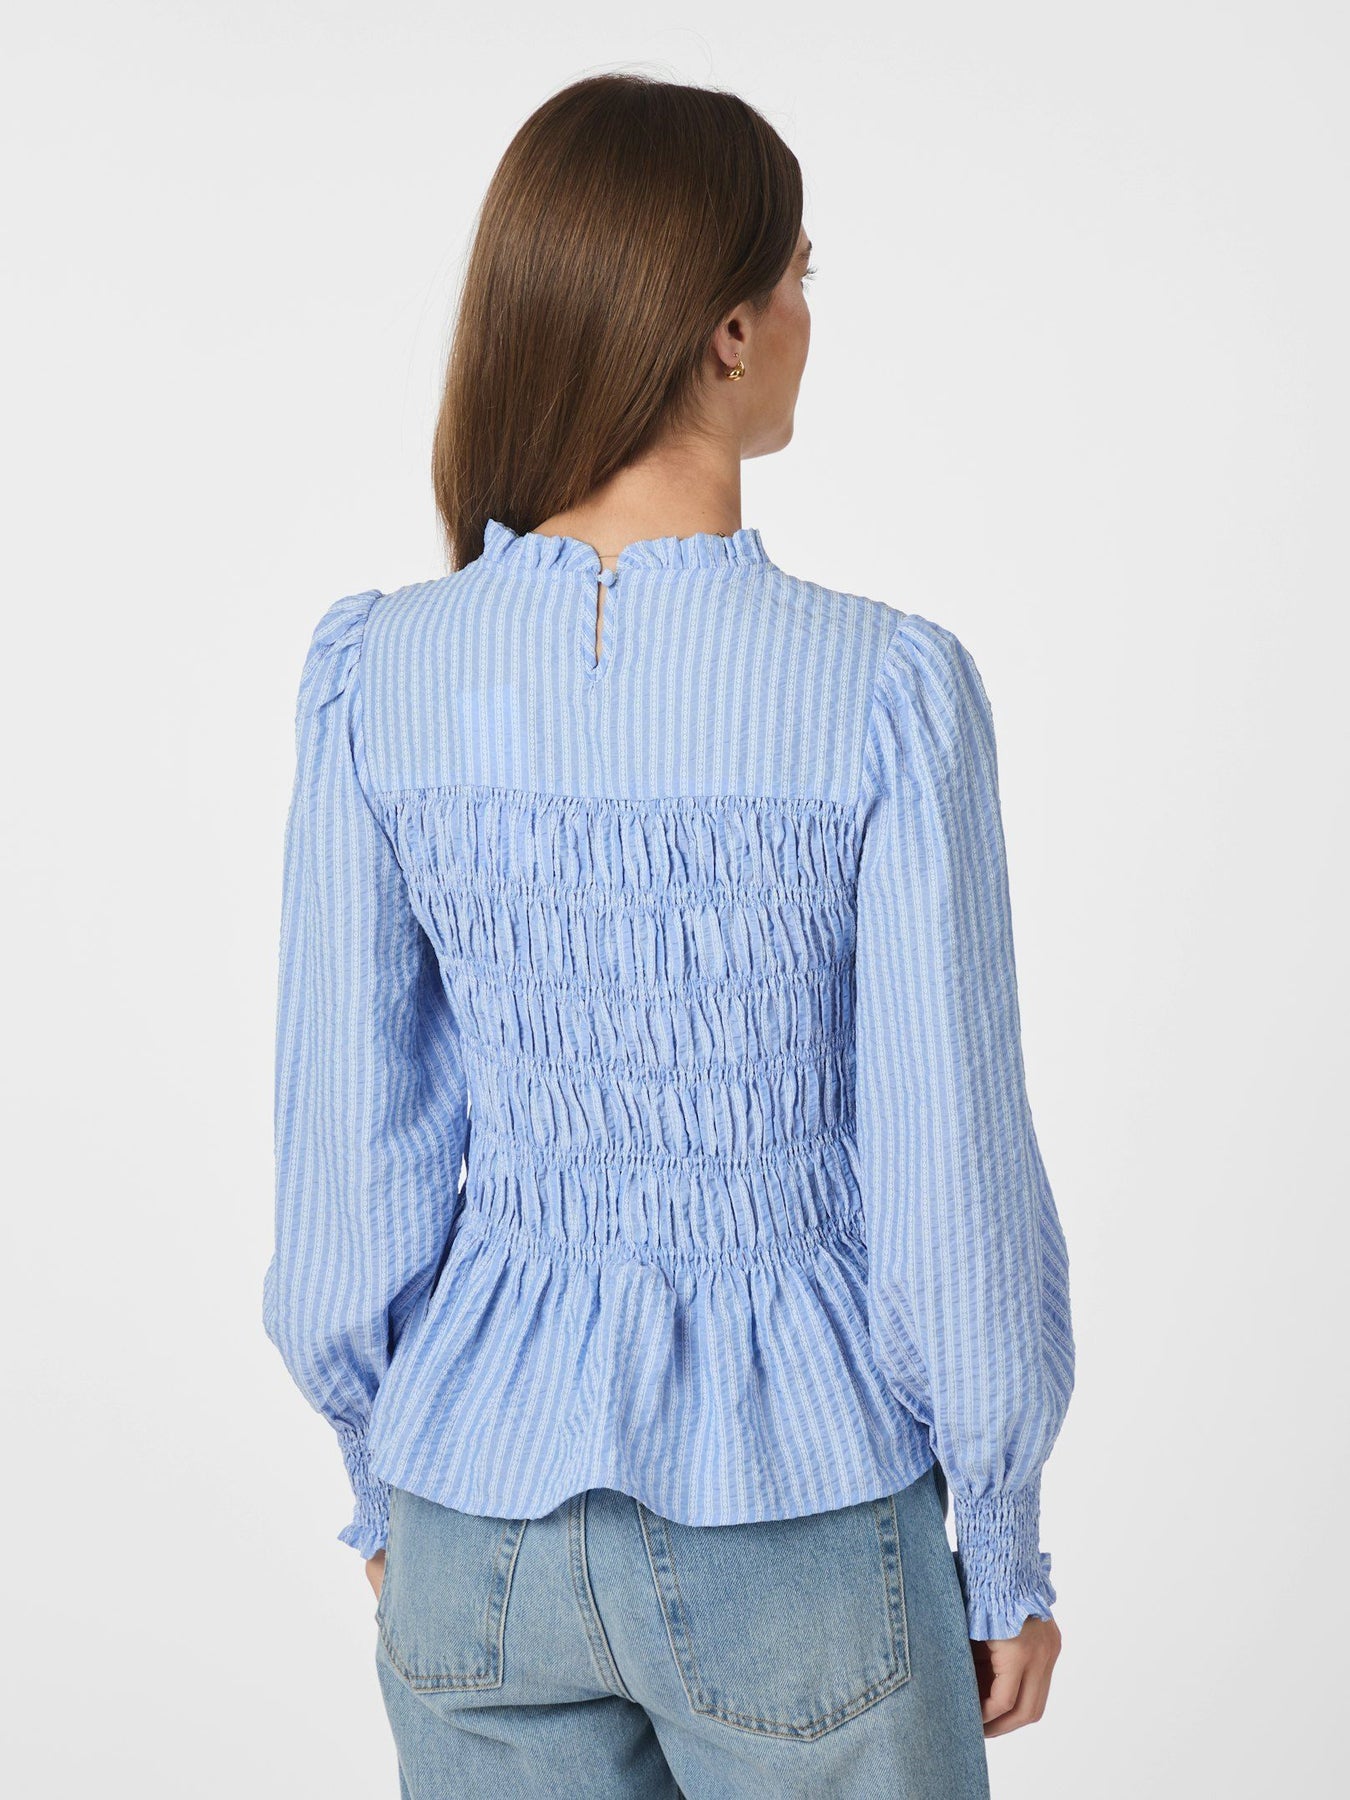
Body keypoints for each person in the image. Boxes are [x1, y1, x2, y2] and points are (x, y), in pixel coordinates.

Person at [264, 70, 1075, 1798]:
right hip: (797, 1511)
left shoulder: (379, 673)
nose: (805, 317)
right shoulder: (882, 690)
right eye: (797, 276)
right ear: (725, 329)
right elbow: (946, 1162)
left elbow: (347, 1153)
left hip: (471, 1509)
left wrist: (378, 1468)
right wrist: (1000, 1537)